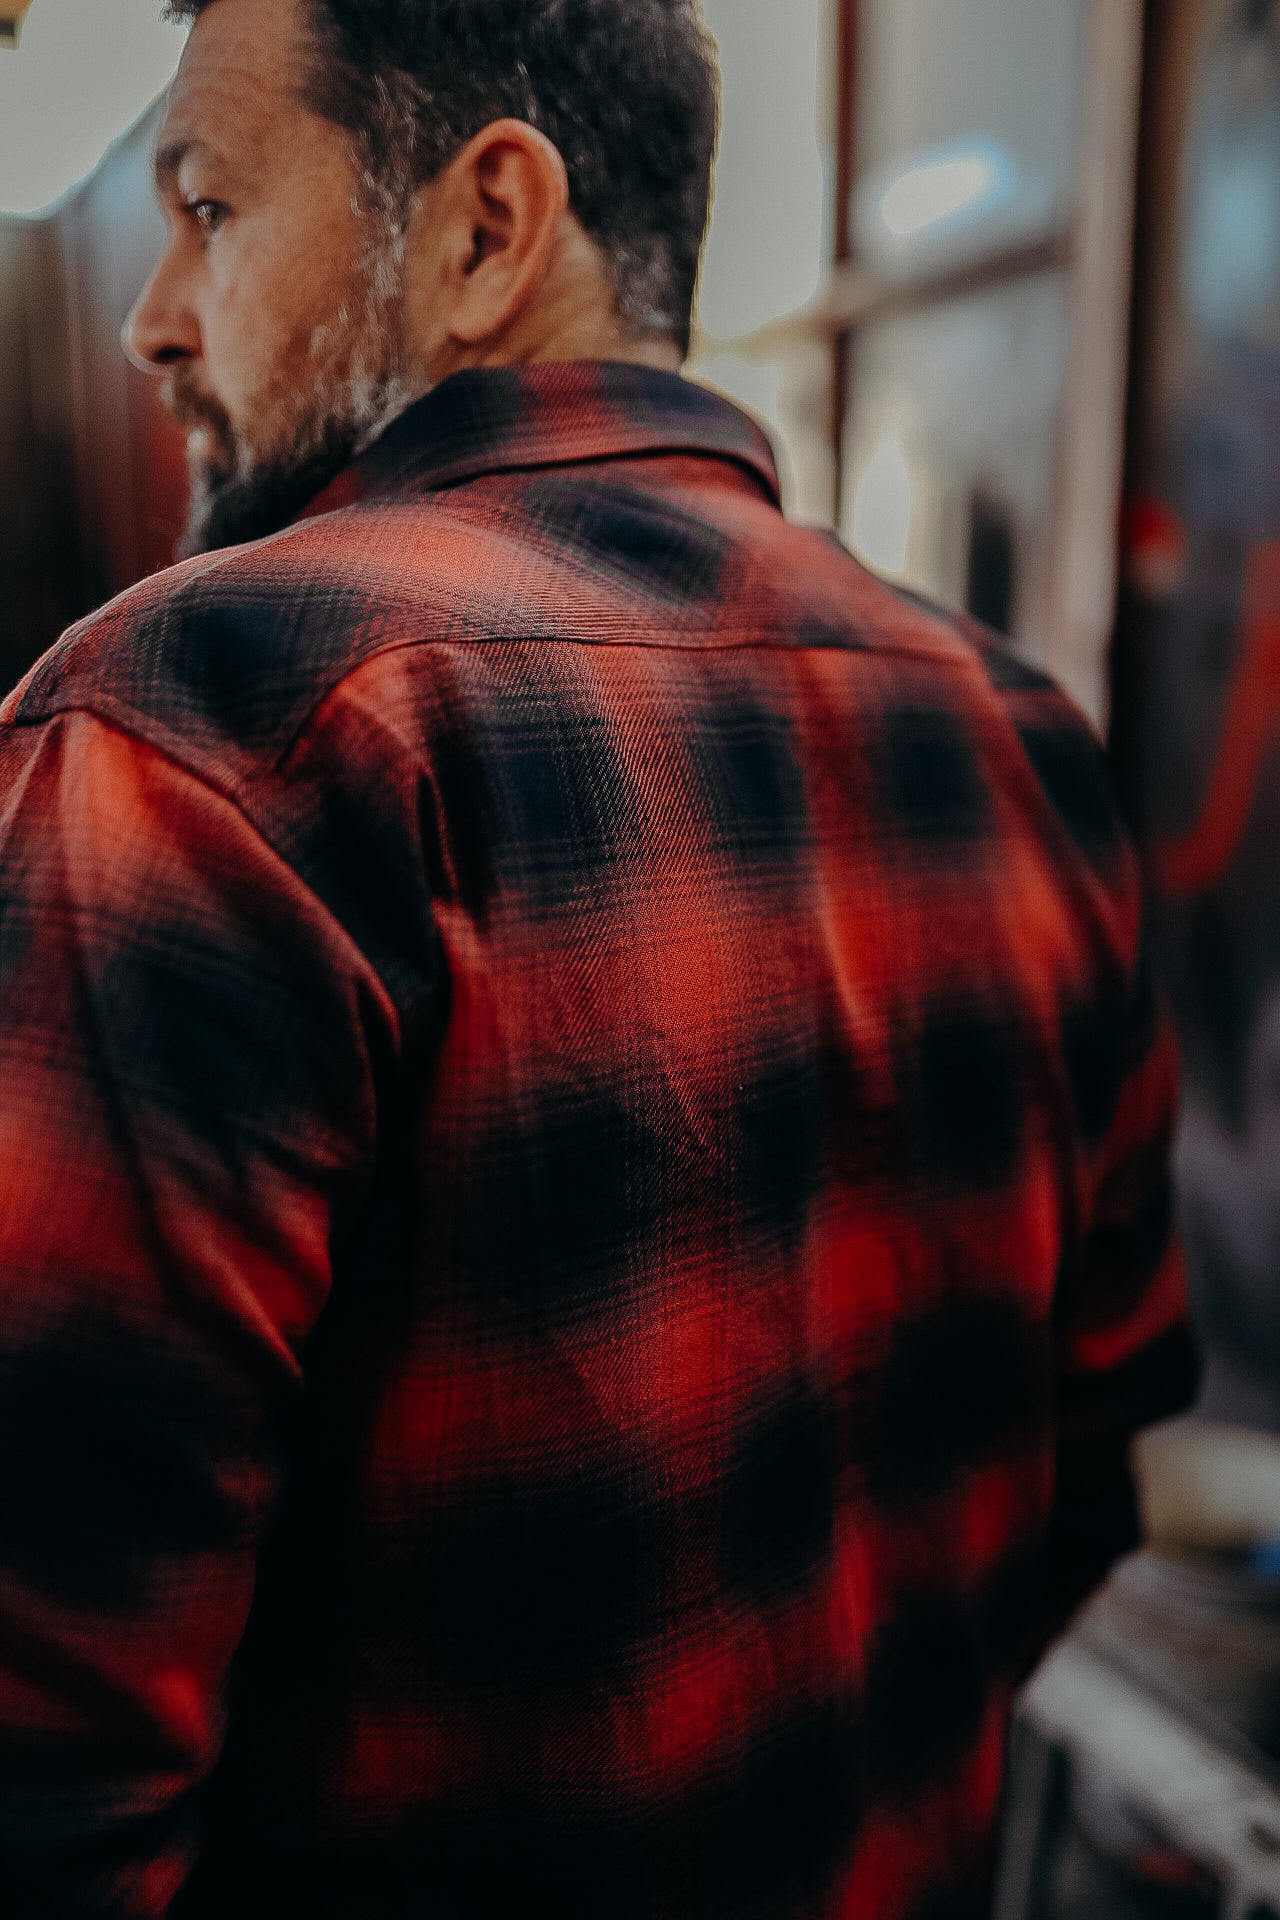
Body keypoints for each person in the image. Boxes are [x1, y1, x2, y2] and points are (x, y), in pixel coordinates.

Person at [0, 1, 1195, 1915]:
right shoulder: (1022, 741)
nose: (156, 316)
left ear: (485, 230)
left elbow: (37, 1774)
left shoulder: (213, 736)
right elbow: (1091, 1459)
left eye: (209, 209)